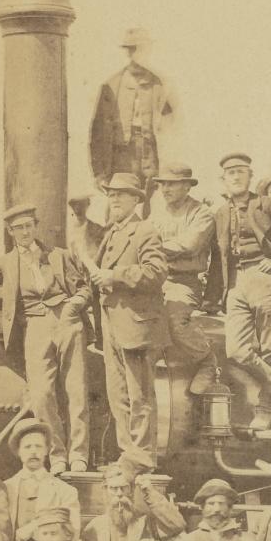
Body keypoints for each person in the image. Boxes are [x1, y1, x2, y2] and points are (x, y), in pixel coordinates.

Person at [0, 203, 91, 470]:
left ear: (36, 226)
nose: (24, 232)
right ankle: (57, 455)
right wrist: (10, 295)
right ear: (11, 232)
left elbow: (84, 287)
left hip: (67, 320)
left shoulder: (60, 255)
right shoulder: (5, 263)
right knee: (42, 394)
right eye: (18, 228)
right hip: (35, 325)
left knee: (76, 390)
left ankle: (79, 454)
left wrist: (75, 304)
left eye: (28, 226)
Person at [210, 155, 271, 430]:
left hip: (264, 277)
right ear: (223, 179)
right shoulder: (219, 213)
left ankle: (265, 412)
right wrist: (213, 296)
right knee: (237, 351)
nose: (236, 176)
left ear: (250, 175)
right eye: (230, 172)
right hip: (235, 283)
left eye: (241, 172)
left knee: (269, 350)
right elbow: (217, 257)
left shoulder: (268, 205)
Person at [92, 172, 170, 461]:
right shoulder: (112, 232)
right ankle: (129, 454)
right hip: (111, 323)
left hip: (136, 326)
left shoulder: (145, 231)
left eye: (121, 194)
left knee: (140, 396)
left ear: (136, 200)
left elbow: (156, 273)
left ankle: (144, 457)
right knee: (118, 395)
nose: (114, 198)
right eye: (111, 194)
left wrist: (115, 275)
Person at [148, 165, 217, 402]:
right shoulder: (156, 212)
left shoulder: (201, 213)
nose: (165, 189)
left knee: (175, 320)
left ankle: (207, 361)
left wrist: (152, 248)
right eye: (162, 184)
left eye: (171, 183)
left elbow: (188, 245)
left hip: (184, 281)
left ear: (187, 186)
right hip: (155, 279)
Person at [87, 27, 173, 191]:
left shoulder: (159, 84)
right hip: (121, 158)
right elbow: (98, 132)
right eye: (132, 49)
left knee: (150, 202)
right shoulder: (112, 84)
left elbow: (171, 131)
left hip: (150, 158)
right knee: (122, 199)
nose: (137, 54)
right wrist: (98, 173)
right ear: (127, 52)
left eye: (142, 48)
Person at [83, 457, 185, 541]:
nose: (119, 493)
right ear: (105, 491)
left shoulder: (145, 522)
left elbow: (177, 526)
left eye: (123, 488)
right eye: (114, 489)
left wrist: (150, 493)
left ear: (131, 490)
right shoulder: (94, 527)